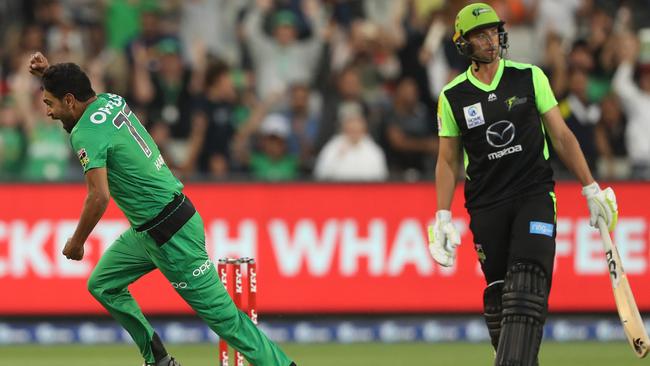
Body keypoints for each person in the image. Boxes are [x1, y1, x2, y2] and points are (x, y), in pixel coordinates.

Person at [28, 52, 295, 366]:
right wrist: (50, 75)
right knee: (102, 284)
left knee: (226, 321)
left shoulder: (85, 133)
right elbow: (79, 88)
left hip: (172, 234)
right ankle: (158, 358)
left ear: (70, 100)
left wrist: (77, 241)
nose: (49, 112)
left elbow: (99, 197)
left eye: (50, 103)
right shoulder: (110, 100)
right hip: (148, 230)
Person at [428, 4, 618, 365]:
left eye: (493, 32)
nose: (491, 40)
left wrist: (591, 187)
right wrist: (441, 215)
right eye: (480, 35)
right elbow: (448, 159)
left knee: (528, 281)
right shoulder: (453, 96)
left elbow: (562, 137)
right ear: (463, 43)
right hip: (486, 205)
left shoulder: (530, 77)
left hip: (534, 195)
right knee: (501, 297)